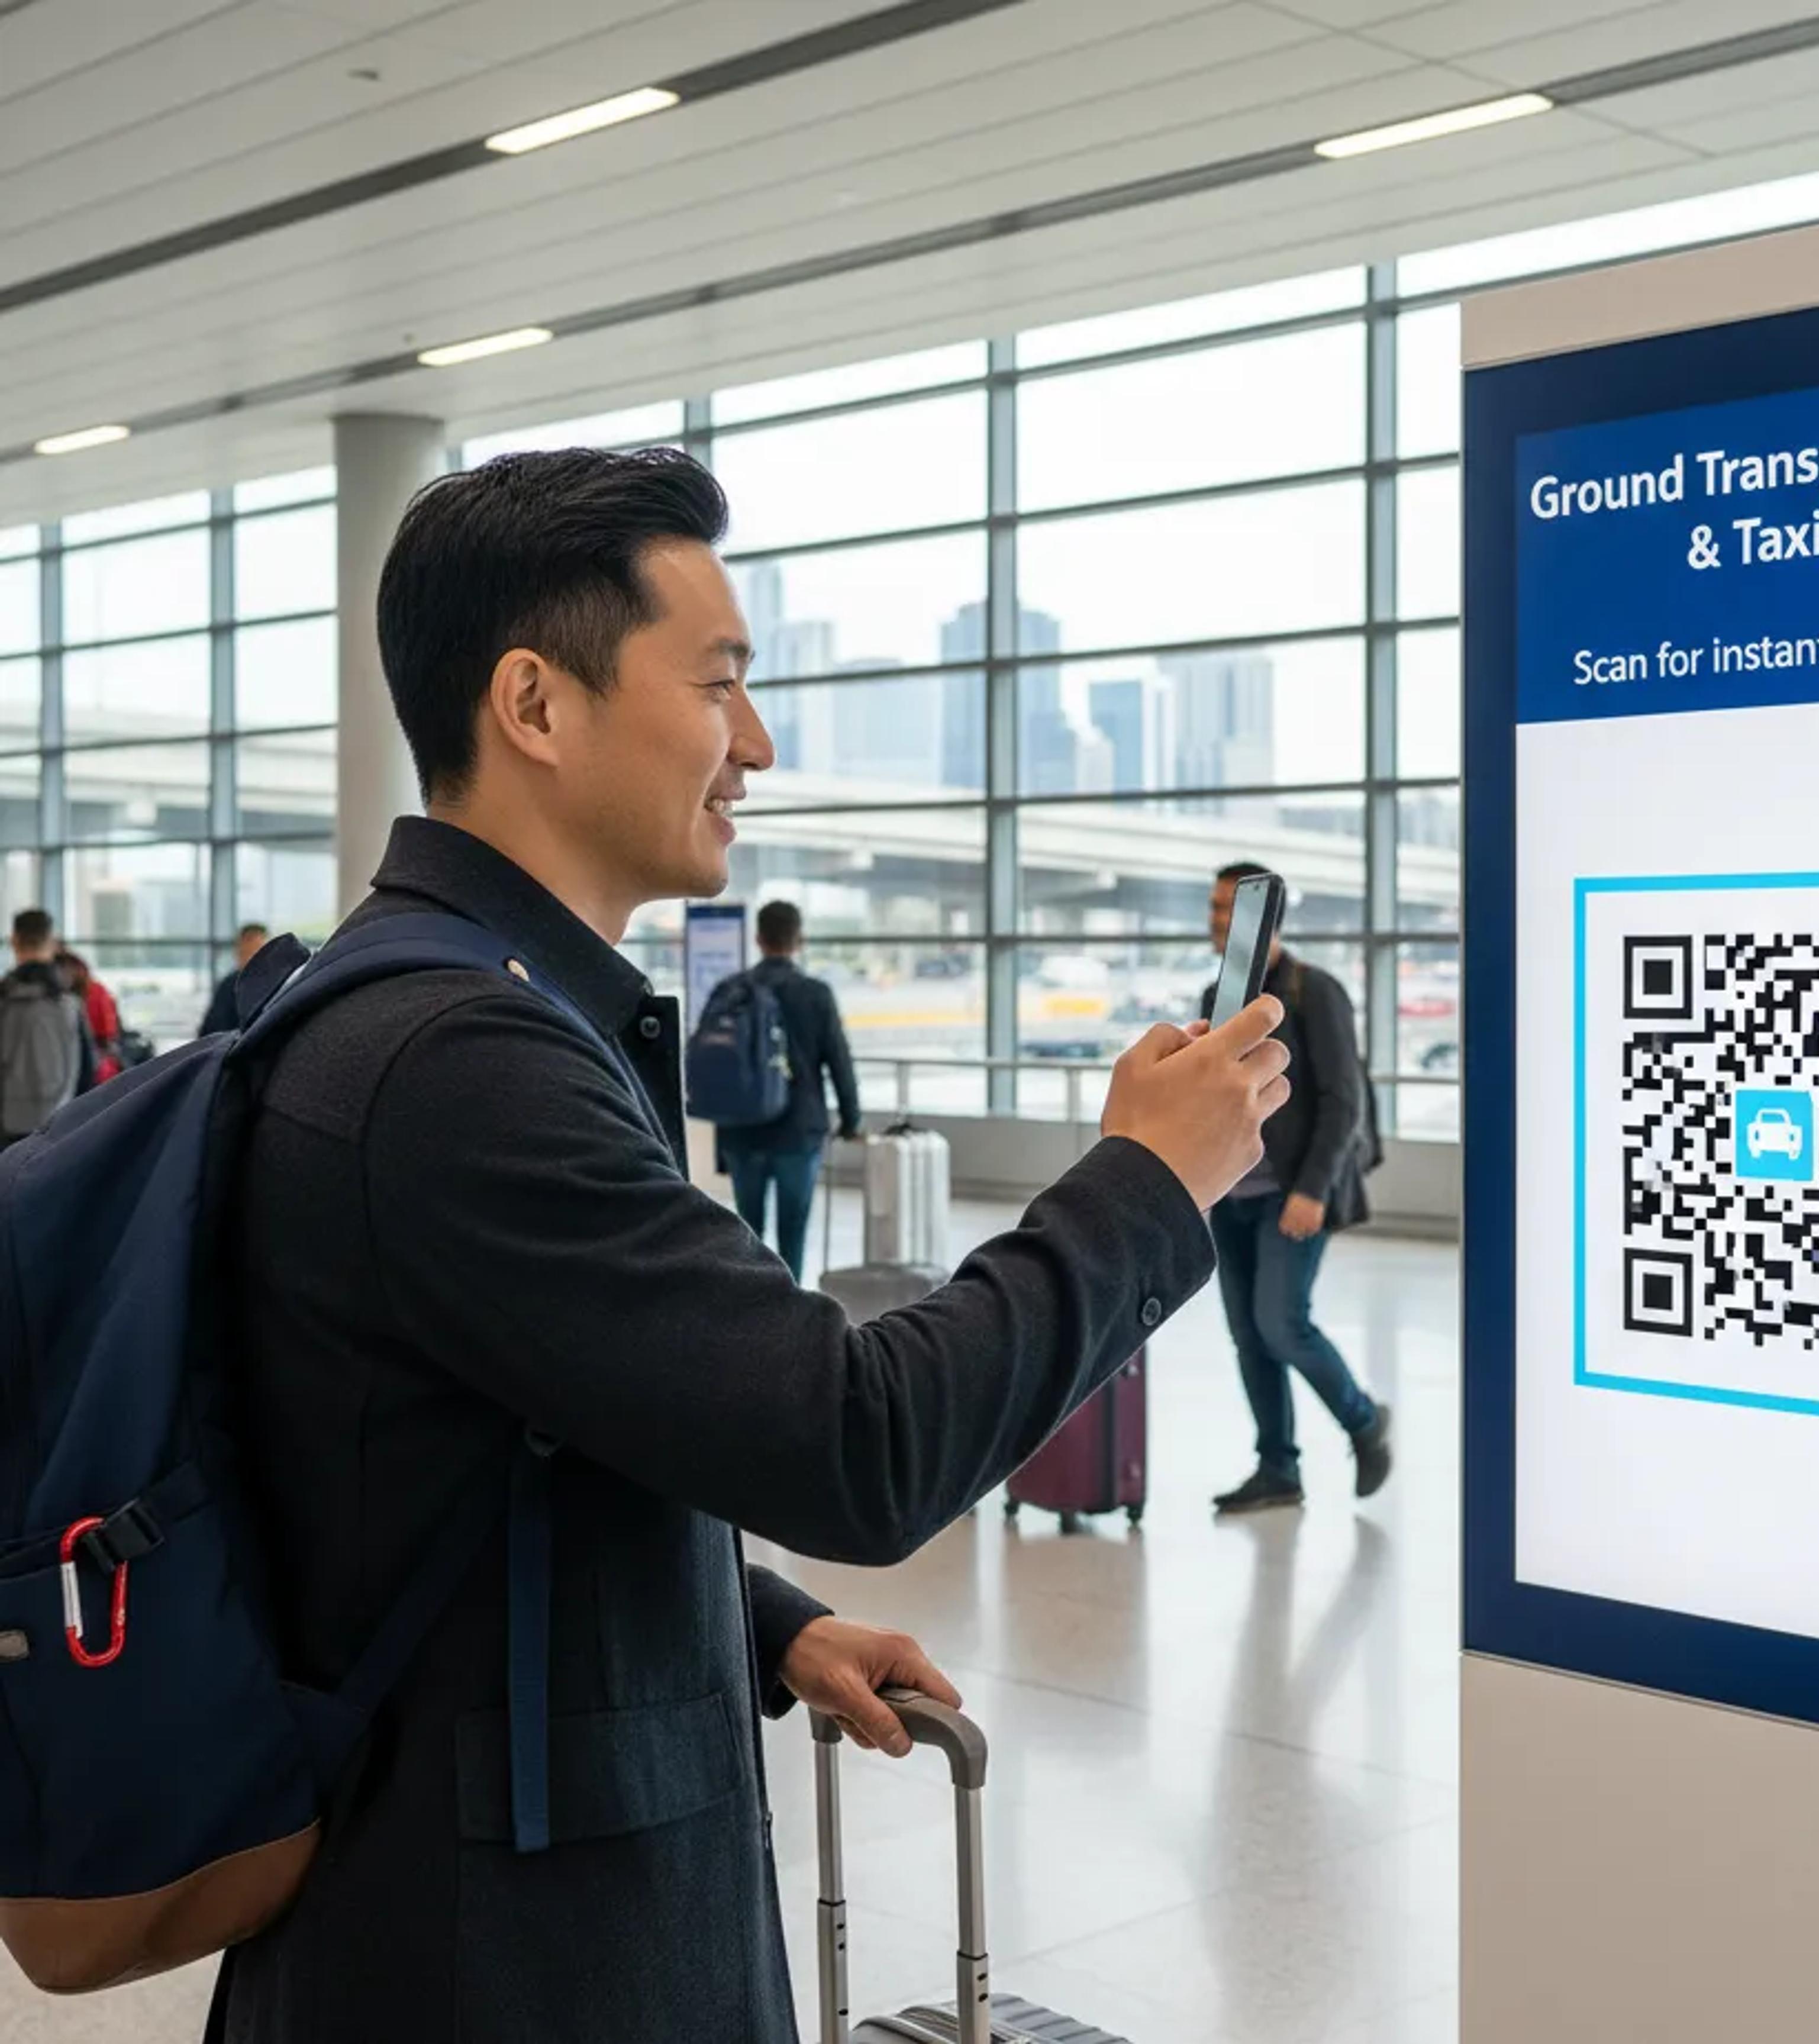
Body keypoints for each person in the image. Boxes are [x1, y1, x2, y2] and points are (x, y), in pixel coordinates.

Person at [212, 447, 1289, 2044]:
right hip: (502, 1963)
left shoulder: (455, 1011)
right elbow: (856, 1438)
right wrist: (1145, 1179)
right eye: (719, 682)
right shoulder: (460, 1065)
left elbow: (493, 1460)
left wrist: (760, 1623)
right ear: (535, 702)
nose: (757, 742)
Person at [1202, 862, 1392, 1515]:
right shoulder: (1217, 1000)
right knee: (1249, 1336)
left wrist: (1312, 1189)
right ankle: (1277, 1468)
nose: (1217, 921)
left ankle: (1364, 1421)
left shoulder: (1315, 991)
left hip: (1293, 1195)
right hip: (1230, 1197)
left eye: (1231, 909)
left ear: (1268, 919)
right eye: (1214, 908)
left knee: (1282, 1323)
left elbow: (1344, 1102)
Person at [712, 897, 861, 1283]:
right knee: (793, 1232)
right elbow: (839, 1062)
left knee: (749, 1233)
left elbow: (716, 1066)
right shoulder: (815, 993)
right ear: (800, 940)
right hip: (799, 1129)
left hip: (742, 1130)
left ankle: (751, 1307)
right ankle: (790, 1313)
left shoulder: (730, 990)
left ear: (759, 939)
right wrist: (851, 1120)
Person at [0, 908, 95, 1149]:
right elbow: (87, 1071)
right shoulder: (70, 1005)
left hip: (7, 1128)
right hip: (59, 1125)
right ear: (52, 943)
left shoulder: (5, 999)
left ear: (14, 941)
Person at [54, 947, 123, 1084]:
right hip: (89, 1062)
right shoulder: (63, 999)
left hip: (93, 1062)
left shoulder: (95, 993)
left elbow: (107, 1033)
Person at [199, 921, 270, 1035]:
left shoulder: (277, 984)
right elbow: (211, 1029)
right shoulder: (228, 985)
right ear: (238, 952)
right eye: (246, 952)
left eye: (257, 952)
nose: (252, 959)